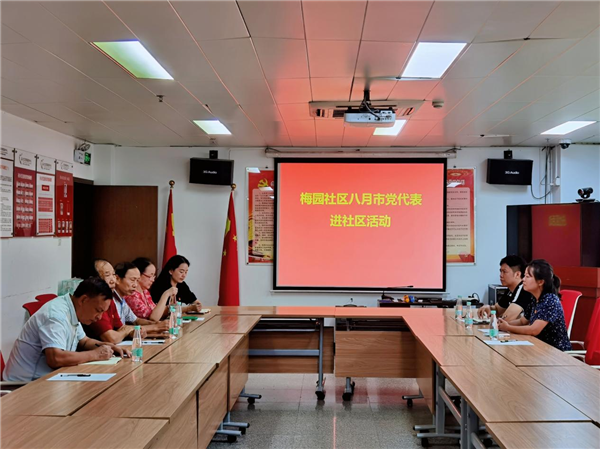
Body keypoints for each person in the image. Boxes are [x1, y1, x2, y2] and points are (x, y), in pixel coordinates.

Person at [4, 278, 130, 382]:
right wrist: (95, 354)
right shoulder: (56, 315)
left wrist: (107, 346)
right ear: (83, 300)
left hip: (49, 379)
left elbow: (84, 341)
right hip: (24, 385)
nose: (99, 317)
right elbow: (55, 358)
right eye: (98, 310)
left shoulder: (72, 309)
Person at [85, 262, 169, 344]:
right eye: (107, 275)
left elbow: (124, 326)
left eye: (113, 274)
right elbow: (112, 337)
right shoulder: (99, 302)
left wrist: (155, 325)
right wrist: (155, 326)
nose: (113, 280)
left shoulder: (113, 300)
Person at [498, 259, 572, 351]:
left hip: (555, 352)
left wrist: (508, 327)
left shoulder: (550, 300)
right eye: (524, 276)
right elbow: (522, 321)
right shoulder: (534, 298)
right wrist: (502, 324)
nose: (523, 279)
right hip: (539, 348)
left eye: (527, 276)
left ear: (540, 282)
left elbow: (534, 330)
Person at [478, 255, 534, 322]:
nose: (501, 275)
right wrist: (489, 308)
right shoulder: (510, 290)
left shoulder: (524, 289)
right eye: (500, 271)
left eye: (504, 272)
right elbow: (498, 310)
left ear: (517, 274)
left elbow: (506, 319)